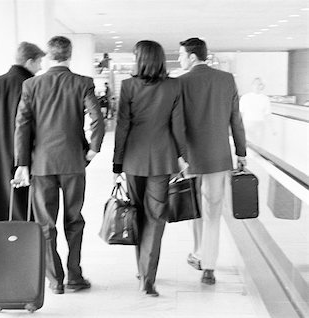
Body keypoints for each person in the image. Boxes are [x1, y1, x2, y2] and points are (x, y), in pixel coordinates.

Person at [13, 36, 105, 295]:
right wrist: (93, 149)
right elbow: (97, 118)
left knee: (46, 224)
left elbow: (22, 125)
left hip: (41, 164)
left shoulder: (31, 84)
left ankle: (55, 281)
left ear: (50, 56)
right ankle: (75, 276)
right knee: (74, 220)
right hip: (74, 162)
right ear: (69, 55)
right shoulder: (82, 83)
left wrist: (22, 163)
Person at [113, 40, 187, 297]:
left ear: (140, 59)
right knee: (155, 219)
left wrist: (117, 162)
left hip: (133, 159)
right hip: (162, 159)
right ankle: (148, 278)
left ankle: (142, 270)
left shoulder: (127, 86)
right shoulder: (174, 85)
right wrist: (182, 156)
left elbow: (122, 126)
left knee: (138, 215)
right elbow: (178, 125)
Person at [178, 38, 247, 285]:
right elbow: (235, 120)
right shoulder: (227, 80)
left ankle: (198, 252)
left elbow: (177, 123)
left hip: (190, 158)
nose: (180, 60)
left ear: (193, 57)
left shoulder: (181, 83)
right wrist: (241, 152)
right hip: (219, 158)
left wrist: (178, 155)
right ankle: (208, 266)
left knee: (194, 207)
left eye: (182, 55)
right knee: (213, 212)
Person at [0, 42, 45, 233]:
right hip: (21, 155)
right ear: (29, 61)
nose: (41, 67)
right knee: (23, 207)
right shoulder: (32, 86)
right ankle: (23, 245)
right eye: (39, 62)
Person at [239, 77, 271, 143]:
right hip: (247, 124)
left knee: (259, 144)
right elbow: (241, 113)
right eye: (255, 84)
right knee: (249, 145)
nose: (257, 86)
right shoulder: (245, 97)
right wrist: (239, 126)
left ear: (262, 86)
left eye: (259, 84)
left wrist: (272, 129)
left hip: (260, 124)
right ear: (252, 85)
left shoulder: (265, 99)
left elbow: (267, 115)